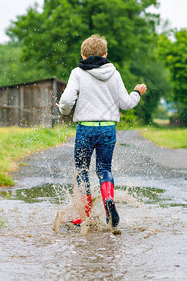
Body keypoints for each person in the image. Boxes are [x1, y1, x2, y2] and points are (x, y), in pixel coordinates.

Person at [57, 34, 147, 228]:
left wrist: (62, 110)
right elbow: (126, 103)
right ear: (106, 54)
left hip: (85, 129)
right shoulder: (114, 73)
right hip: (108, 129)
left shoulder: (77, 73)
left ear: (82, 55)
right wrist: (137, 92)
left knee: (81, 170)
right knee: (104, 169)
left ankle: (84, 215)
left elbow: (66, 102)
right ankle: (109, 201)